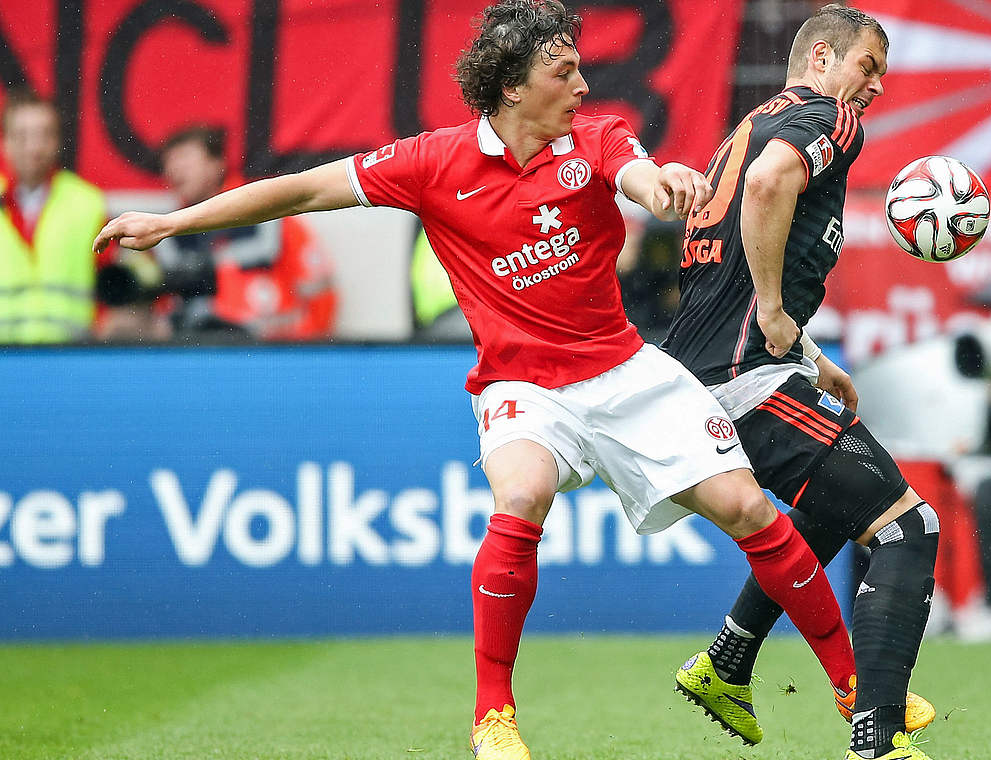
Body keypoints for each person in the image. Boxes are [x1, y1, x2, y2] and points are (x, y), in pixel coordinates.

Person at [95, 3, 857, 759]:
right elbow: (299, 190)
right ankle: (494, 715)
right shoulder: (430, 162)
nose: (584, 84)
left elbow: (641, 177)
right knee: (521, 492)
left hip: (624, 370)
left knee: (748, 508)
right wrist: (171, 223)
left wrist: (667, 186)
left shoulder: (591, 137)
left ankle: (858, 693)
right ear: (514, 86)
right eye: (564, 72)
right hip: (523, 386)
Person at [661, 6, 937, 759]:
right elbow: (768, 188)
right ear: (821, 57)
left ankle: (728, 661)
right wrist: (780, 315)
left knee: (830, 509)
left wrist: (809, 356)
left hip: (704, 376)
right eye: (866, 67)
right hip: (745, 379)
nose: (874, 86)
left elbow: (731, 273)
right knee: (911, 528)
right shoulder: (830, 118)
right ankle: (875, 743)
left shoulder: (748, 125)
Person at [155, 125, 336, 339]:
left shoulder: (269, 213)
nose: (176, 169)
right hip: (201, 355)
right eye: (170, 162)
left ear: (217, 164)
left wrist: (297, 350)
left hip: (274, 353)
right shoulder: (168, 232)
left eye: (185, 159)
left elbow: (319, 292)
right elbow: (161, 309)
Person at [0, 89, 106, 343]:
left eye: (43, 135)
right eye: (21, 136)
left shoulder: (87, 203)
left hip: (71, 358)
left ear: (57, 141)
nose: (33, 147)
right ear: (5, 142)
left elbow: (115, 282)